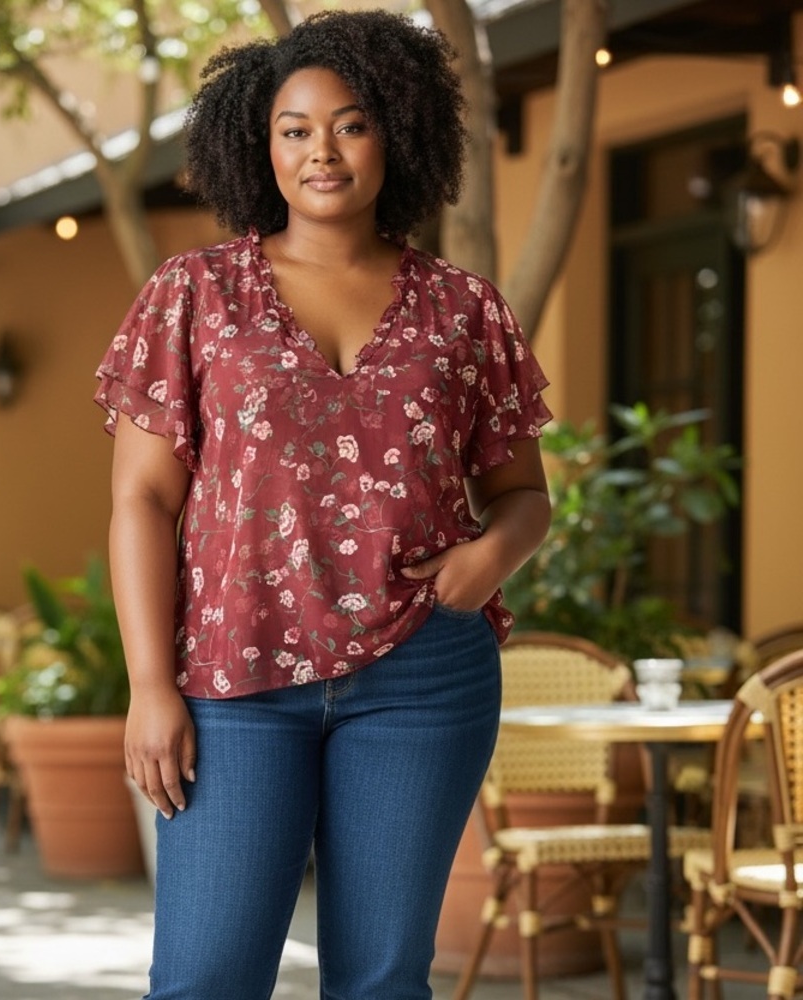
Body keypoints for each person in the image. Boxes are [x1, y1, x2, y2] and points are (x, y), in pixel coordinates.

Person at [94, 10, 552, 999]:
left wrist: (490, 558)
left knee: (384, 979)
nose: (321, 151)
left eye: (348, 123)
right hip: (233, 674)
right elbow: (139, 501)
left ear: (396, 129)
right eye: (294, 129)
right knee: (204, 976)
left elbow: (522, 495)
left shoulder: (465, 311)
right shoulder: (194, 294)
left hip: (424, 671)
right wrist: (147, 684)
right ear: (261, 146)